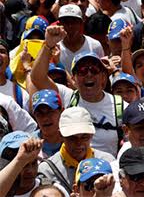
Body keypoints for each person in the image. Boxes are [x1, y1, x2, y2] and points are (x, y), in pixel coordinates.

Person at [30, 25, 124, 156]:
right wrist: (48, 45)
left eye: (94, 70)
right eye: (82, 71)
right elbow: (37, 78)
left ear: (103, 77)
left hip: (107, 171)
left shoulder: (121, 106)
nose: (89, 75)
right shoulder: (67, 98)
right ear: (73, 79)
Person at [38, 107, 115, 192]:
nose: (79, 143)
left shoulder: (108, 162)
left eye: (84, 137)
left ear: (92, 135)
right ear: (60, 136)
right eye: (72, 138)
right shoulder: (47, 170)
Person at [30, 89, 63, 158]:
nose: (45, 118)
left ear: (61, 111)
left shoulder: (73, 139)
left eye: (50, 112)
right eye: (39, 114)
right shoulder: (30, 145)